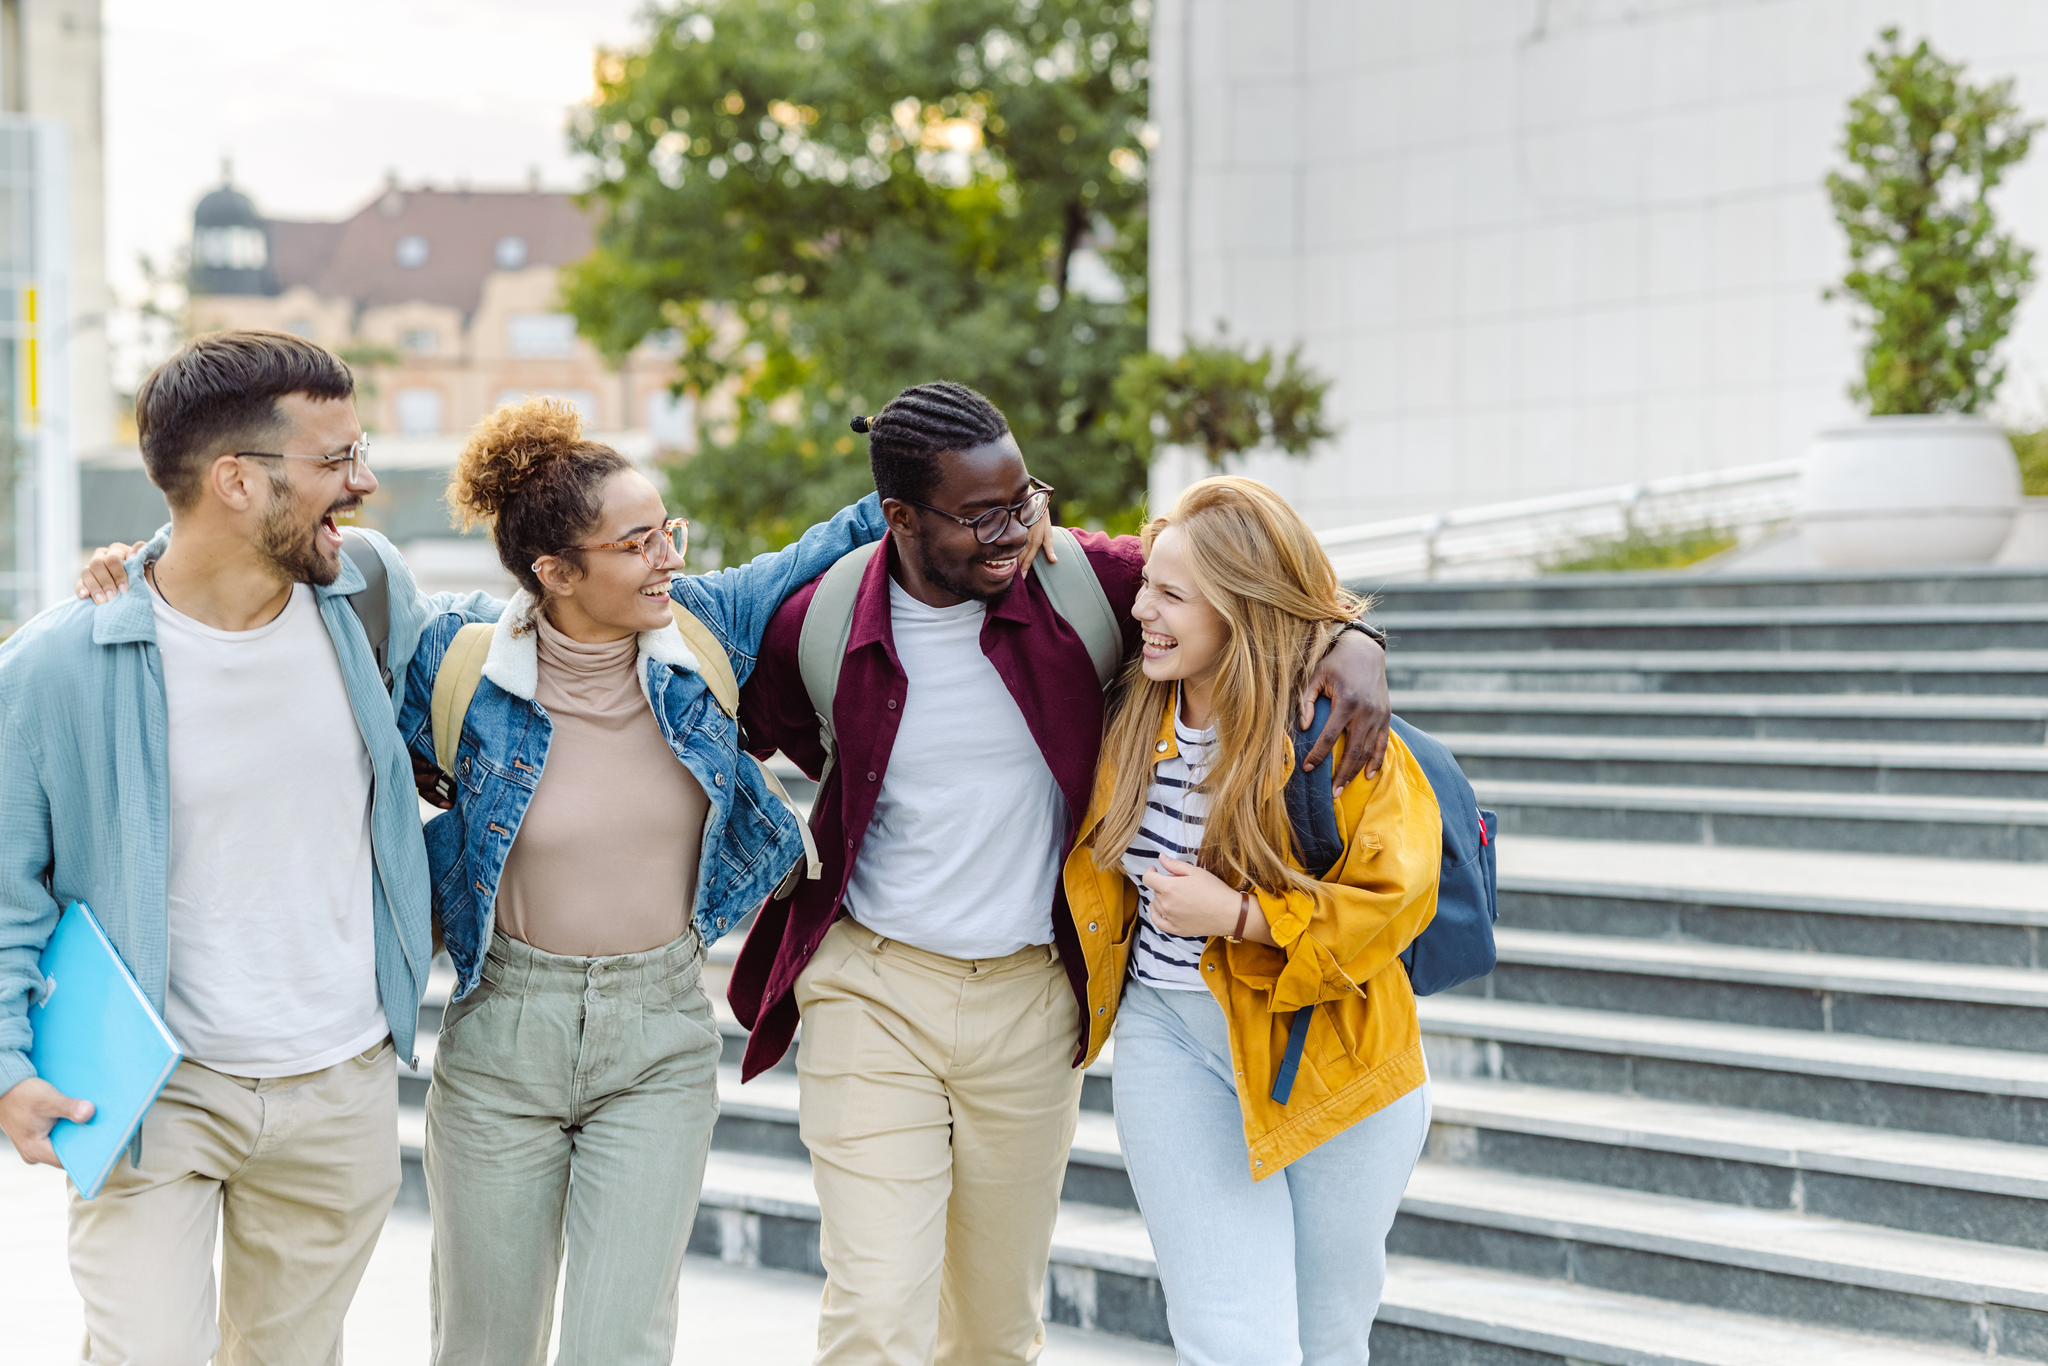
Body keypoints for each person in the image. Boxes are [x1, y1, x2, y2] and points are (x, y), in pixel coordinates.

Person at [730, 382, 1393, 1366]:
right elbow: (765, 727)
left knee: (994, 1330)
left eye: (1022, 499)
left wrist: (1352, 639)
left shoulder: (1084, 584)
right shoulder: (817, 623)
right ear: (900, 518)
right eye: (979, 515)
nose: (1012, 531)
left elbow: (1245, 583)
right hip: (872, 988)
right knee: (875, 1312)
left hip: (1032, 998)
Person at [0, 330, 501, 1364]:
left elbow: (511, 639)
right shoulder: (57, 666)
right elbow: (8, 888)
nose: (362, 481)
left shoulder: (365, 592)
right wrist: (7, 1069)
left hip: (338, 1083)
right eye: (334, 460)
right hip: (150, 1091)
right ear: (235, 479)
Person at [396, 399, 904, 1366]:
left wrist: (924, 451)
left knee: (621, 1341)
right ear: (556, 573)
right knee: (482, 1342)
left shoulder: (701, 629)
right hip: (504, 1039)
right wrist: (140, 567)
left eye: (667, 530)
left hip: (659, 1037)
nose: (666, 555)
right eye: (636, 543)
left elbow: (847, 534)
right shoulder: (454, 660)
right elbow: (312, 599)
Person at [1062, 476, 1441, 1365]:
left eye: (1172, 595)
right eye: (1145, 584)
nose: (1142, 609)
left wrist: (1239, 914)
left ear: (1241, 607)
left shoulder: (1335, 730)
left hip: (1332, 1058)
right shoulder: (1133, 707)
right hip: (1171, 1043)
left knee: (1326, 1338)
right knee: (1231, 1336)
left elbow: (1396, 904)